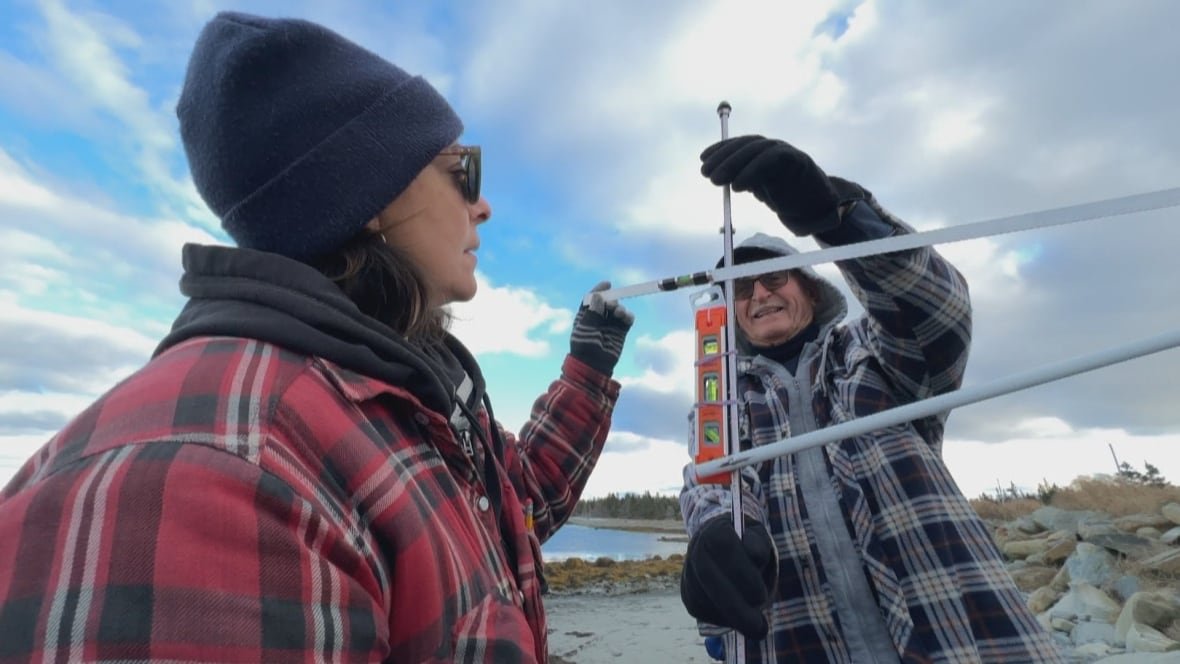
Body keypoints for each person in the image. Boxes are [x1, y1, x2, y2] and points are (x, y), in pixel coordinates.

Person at [0, 12, 634, 663]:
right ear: (374, 192)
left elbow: (513, 505)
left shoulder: (402, 398)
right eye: (461, 169)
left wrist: (589, 362)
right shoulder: (213, 481)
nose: (484, 205)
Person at [678, 136, 1064, 662]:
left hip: (960, 637)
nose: (759, 295)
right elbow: (710, 485)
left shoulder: (872, 351)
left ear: (811, 290)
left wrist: (837, 216)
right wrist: (713, 533)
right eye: (741, 290)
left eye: (773, 277)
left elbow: (938, 312)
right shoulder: (723, 401)